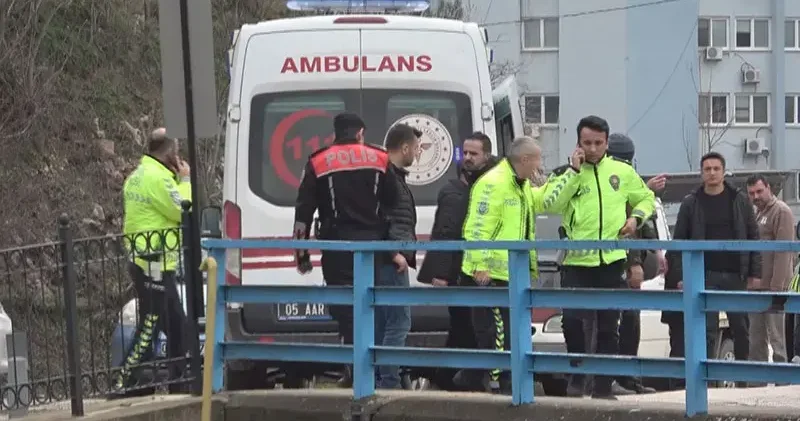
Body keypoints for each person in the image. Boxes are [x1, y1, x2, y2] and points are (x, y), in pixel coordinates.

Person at [458, 136, 583, 394]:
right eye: (537, 160)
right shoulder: (494, 184)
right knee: (495, 332)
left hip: (510, 272)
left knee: (510, 331)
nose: (539, 167)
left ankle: (498, 380)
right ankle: (495, 383)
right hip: (490, 274)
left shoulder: (520, 184)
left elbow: (544, 200)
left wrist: (572, 173)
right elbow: (477, 228)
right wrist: (481, 265)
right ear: (525, 160)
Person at [555, 116, 655, 400]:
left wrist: (635, 218)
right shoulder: (567, 172)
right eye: (587, 142)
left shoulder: (621, 172)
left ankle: (602, 385)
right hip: (576, 261)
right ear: (578, 143)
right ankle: (576, 377)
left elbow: (646, 198)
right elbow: (551, 204)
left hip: (611, 262)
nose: (593, 148)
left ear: (607, 143)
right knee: (572, 322)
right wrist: (573, 172)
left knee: (610, 326)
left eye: (599, 143)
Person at [294, 112, 397, 355]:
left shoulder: (318, 161)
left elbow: (303, 214)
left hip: (336, 248)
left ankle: (353, 363)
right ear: (360, 133)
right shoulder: (380, 158)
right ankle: (370, 367)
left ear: (336, 133)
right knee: (371, 306)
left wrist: (302, 257)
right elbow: (393, 202)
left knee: (345, 307)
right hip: (374, 248)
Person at [662, 152, 761, 389]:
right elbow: (679, 243)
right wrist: (682, 277)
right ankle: (704, 383)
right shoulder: (691, 202)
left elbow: (753, 236)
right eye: (707, 169)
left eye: (716, 168)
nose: (712, 173)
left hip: (735, 274)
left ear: (723, 171)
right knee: (706, 331)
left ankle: (742, 381)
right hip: (703, 275)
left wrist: (755, 274)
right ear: (701, 173)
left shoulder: (739, 199)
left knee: (740, 329)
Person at [416, 132, 498, 391]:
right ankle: (453, 378)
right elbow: (444, 231)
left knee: (479, 327)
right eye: (466, 153)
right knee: (464, 326)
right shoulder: (452, 191)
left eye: (475, 154)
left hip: (487, 269)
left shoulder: (493, 186)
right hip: (458, 271)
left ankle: (456, 377)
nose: (469, 159)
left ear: (487, 155)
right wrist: (440, 272)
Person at [117, 128, 191, 392]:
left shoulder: (136, 176)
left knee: (178, 327)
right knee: (150, 326)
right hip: (155, 263)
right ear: (170, 152)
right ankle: (125, 381)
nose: (179, 155)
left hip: (148, 260)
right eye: (177, 150)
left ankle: (180, 384)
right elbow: (183, 211)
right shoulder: (160, 179)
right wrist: (185, 181)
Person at [604, 133, 663, 395]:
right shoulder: (611, 181)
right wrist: (635, 263)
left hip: (620, 261)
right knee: (616, 322)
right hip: (614, 263)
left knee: (628, 321)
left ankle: (625, 377)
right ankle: (614, 379)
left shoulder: (623, 179)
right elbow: (624, 228)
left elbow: (643, 221)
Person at [374, 123, 421, 389]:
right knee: (399, 322)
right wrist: (394, 252)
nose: (416, 153)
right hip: (391, 261)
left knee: (383, 323)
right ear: (404, 148)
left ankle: (380, 378)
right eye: (415, 148)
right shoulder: (387, 177)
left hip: (386, 259)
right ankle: (388, 382)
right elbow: (376, 217)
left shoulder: (389, 174)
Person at [746, 174, 795, 368]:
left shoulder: (781, 211)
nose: (756, 196)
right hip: (756, 287)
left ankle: (782, 384)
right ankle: (757, 386)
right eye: (751, 193)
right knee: (755, 339)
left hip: (775, 288)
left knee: (778, 340)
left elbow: (784, 253)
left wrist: (777, 289)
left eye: (759, 191)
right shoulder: (756, 213)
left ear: (768, 188)